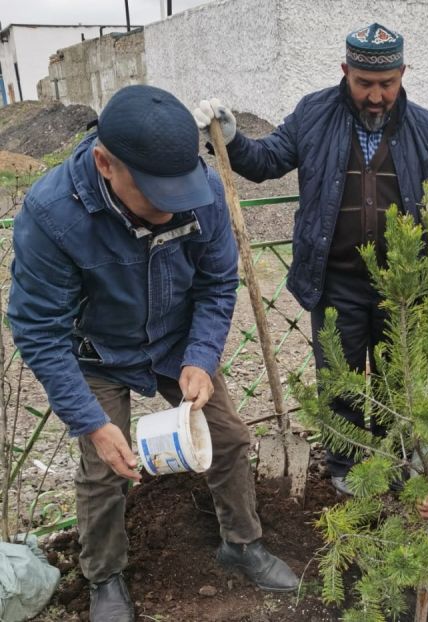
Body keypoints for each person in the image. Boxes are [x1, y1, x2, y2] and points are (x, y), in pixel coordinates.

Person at [7, 84, 299, 622]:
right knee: (104, 468)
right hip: (96, 352)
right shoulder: (52, 215)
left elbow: (216, 285)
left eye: (180, 193)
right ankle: (105, 577)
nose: (172, 210)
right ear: (105, 164)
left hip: (174, 342)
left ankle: (241, 542)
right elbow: (37, 328)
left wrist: (201, 357)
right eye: (157, 197)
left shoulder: (202, 190)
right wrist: (91, 422)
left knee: (230, 436)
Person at [193, 23, 428, 495]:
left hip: (404, 285)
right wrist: (230, 138)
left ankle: (400, 465)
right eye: (364, 83)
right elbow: (267, 160)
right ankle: (348, 470)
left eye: (387, 84)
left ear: (403, 74)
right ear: (345, 72)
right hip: (336, 280)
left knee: (403, 380)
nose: (376, 96)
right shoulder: (314, 115)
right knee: (341, 381)